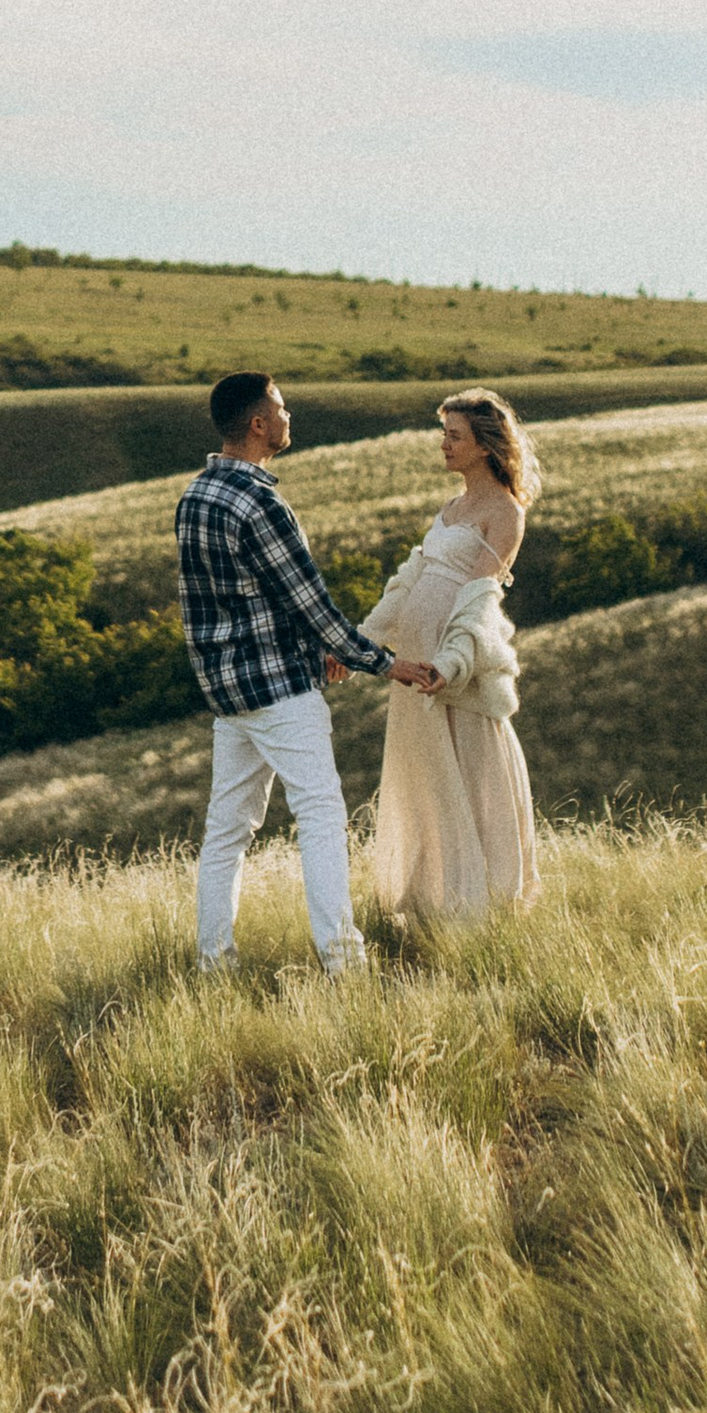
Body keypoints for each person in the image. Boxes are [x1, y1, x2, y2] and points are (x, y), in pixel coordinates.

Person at [176, 369, 436, 974]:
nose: (290, 417)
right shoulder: (261, 502)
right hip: (279, 691)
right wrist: (386, 663)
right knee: (321, 815)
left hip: (230, 693)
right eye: (283, 408)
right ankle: (343, 961)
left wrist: (318, 649)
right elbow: (310, 604)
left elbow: (227, 602)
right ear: (260, 424)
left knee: (227, 833)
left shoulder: (196, 495)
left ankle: (214, 963)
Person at [362, 389, 543, 920]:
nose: (444, 444)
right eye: (444, 433)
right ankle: (424, 903)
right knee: (423, 783)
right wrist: (359, 642)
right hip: (412, 665)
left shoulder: (504, 511)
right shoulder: (450, 509)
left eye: (454, 435)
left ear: (485, 446)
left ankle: (475, 906)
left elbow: (480, 599)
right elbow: (407, 582)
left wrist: (453, 664)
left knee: (467, 777)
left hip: (450, 668)